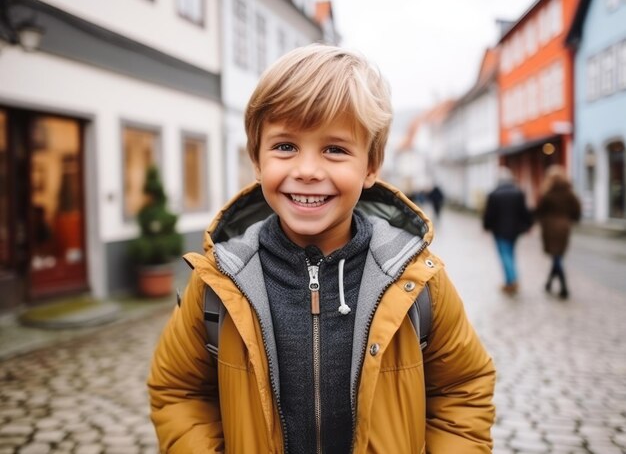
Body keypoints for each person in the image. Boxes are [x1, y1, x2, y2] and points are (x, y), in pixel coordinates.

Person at [147, 44, 495, 453]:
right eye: (285, 146)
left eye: (334, 149)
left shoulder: (416, 280)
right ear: (257, 161)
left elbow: (463, 387)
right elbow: (178, 390)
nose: (308, 170)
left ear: (370, 166)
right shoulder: (220, 280)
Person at [482, 166, 533, 295]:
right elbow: (524, 212)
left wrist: (486, 226)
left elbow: (489, 214)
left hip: (499, 230)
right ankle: (509, 281)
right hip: (515, 231)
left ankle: (512, 280)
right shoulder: (518, 192)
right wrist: (528, 225)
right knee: (510, 254)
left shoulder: (493, 194)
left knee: (505, 255)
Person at [535, 165, 581, 299]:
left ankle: (564, 286)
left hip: (550, 227)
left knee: (556, 256)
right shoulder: (569, 193)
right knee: (558, 255)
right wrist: (570, 219)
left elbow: (539, 211)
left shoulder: (547, 194)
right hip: (564, 227)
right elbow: (577, 211)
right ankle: (549, 283)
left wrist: (542, 221)